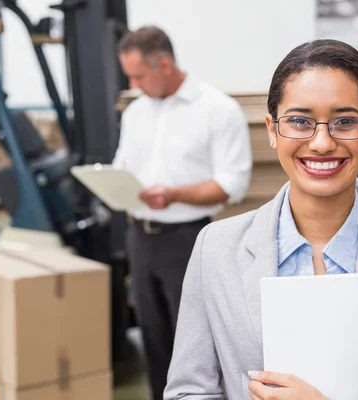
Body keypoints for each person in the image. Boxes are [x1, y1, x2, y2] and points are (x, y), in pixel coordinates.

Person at [164, 39, 358, 400]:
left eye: (345, 121)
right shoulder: (215, 249)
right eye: (299, 121)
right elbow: (189, 392)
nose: (323, 143)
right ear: (272, 130)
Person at [112, 26, 252, 400]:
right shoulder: (136, 112)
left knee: (194, 342)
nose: (133, 82)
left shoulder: (217, 110)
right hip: (140, 238)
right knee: (153, 336)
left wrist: (175, 194)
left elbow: (232, 183)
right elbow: (122, 165)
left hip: (188, 239)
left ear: (165, 64)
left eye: (139, 74)